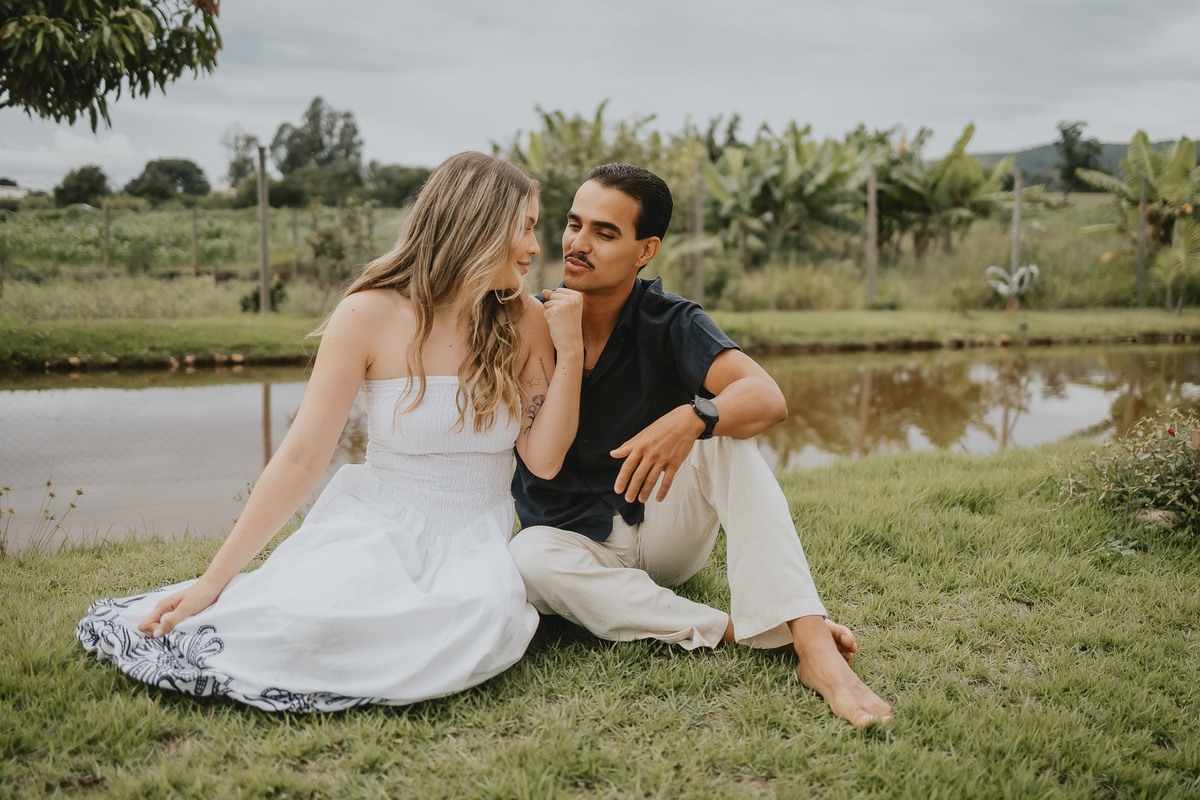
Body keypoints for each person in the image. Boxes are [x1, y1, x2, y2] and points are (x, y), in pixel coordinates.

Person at [77, 152, 585, 713]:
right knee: (313, 620)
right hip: (379, 522)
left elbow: (544, 459)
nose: (536, 246)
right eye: (525, 227)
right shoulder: (367, 314)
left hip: (472, 537)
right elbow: (302, 457)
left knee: (472, 620)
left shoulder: (524, 321)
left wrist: (571, 352)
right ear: (479, 226)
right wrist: (213, 580)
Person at [509, 163, 892, 727]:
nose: (578, 243)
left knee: (726, 439)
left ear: (645, 251)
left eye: (605, 232)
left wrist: (693, 417)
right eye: (574, 224)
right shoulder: (530, 320)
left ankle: (814, 645)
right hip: (571, 542)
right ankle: (744, 631)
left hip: (663, 528)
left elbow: (767, 397)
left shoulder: (670, 321)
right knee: (527, 559)